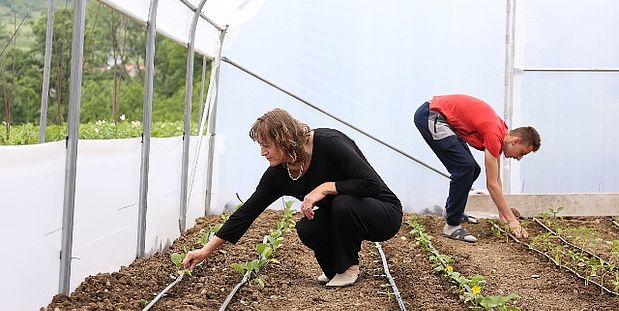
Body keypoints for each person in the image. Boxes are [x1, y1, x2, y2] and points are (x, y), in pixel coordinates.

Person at [183, 108, 403, 287]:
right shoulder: (280, 173)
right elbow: (247, 212)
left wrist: (325, 187)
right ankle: (335, 269)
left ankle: (348, 268)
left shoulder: (329, 143)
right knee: (307, 227)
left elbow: (371, 185)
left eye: (266, 145)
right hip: (341, 217)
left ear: (285, 138)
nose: (262, 152)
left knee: (342, 203)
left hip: (382, 212)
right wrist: (205, 250)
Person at [414, 94, 540, 242]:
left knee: (473, 169)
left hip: (442, 117)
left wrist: (503, 214)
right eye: (522, 153)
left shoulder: (500, 132)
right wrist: (512, 220)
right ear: (516, 141)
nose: (519, 158)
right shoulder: (494, 133)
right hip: (431, 114)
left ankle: (452, 211)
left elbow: (496, 179)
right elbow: (491, 185)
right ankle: (452, 226)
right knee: (465, 168)